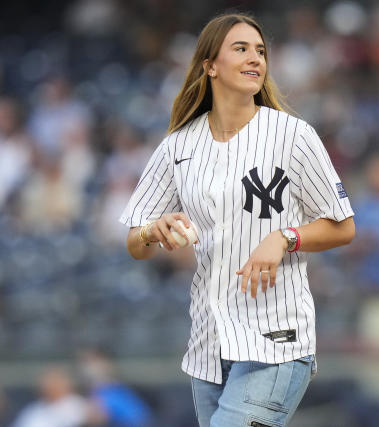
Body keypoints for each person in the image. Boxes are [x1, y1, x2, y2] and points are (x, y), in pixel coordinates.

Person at [119, 12, 355, 427]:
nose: (255, 59)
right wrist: (152, 232)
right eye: (241, 49)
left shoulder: (293, 135)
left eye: (260, 51)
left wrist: (284, 236)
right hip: (209, 345)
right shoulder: (179, 145)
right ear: (210, 65)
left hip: (276, 338)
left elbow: (343, 225)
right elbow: (135, 244)